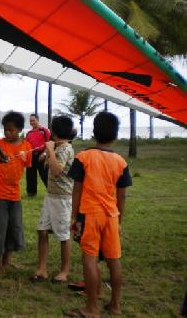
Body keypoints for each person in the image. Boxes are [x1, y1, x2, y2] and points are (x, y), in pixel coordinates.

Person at [64, 112, 132, 317]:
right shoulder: (120, 161)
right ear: (115, 135)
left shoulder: (83, 157)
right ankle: (115, 305)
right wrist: (119, 220)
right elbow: (122, 196)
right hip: (111, 216)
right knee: (114, 260)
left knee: (90, 259)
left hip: (89, 215)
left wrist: (74, 217)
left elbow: (76, 190)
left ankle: (92, 308)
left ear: (94, 132)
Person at [0, 111, 32, 274]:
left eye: (11, 130)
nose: (7, 133)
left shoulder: (26, 147)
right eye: (5, 129)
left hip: (14, 194)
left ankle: (7, 261)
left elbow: (25, 165)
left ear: (19, 129)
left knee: (14, 226)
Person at [31, 116, 75, 283]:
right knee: (42, 231)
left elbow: (57, 170)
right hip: (51, 197)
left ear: (54, 133)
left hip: (63, 199)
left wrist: (49, 151)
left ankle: (64, 271)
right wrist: (46, 154)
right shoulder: (58, 147)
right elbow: (52, 162)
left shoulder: (65, 149)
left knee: (63, 236)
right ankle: (42, 269)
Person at [25, 113, 51, 196]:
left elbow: (50, 143)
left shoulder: (44, 130)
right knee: (30, 174)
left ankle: (51, 191)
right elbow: (26, 145)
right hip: (31, 155)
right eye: (30, 121)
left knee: (44, 174)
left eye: (33, 120)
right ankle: (31, 193)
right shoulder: (29, 133)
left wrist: (44, 154)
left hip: (42, 154)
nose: (32, 122)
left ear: (37, 120)